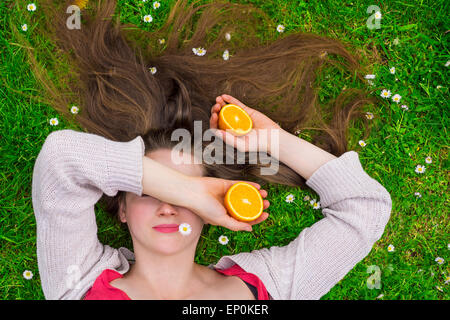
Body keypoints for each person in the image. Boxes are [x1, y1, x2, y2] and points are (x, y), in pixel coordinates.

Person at [32, 94, 392, 300]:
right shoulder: (78, 282)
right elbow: (61, 158)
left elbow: (363, 208)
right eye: (151, 190)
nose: (168, 207)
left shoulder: (267, 285)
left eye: (184, 193)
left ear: (210, 211)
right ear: (122, 209)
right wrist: (191, 192)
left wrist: (272, 141)